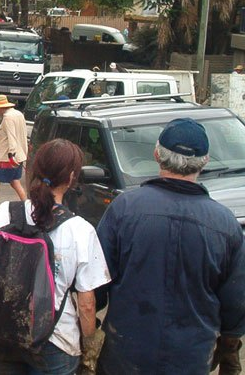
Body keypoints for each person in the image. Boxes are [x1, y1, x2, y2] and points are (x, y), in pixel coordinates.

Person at [96, 118, 245, 375]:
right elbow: (236, 300)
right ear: (205, 161)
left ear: (156, 154)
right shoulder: (225, 224)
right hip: (191, 357)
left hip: (125, 354)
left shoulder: (124, 209)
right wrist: (230, 341)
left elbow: (96, 281)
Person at [0, 139, 111, 374]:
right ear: (70, 178)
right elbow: (87, 304)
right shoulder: (80, 229)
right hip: (54, 341)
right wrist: (89, 352)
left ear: (34, 171)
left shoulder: (6, 212)